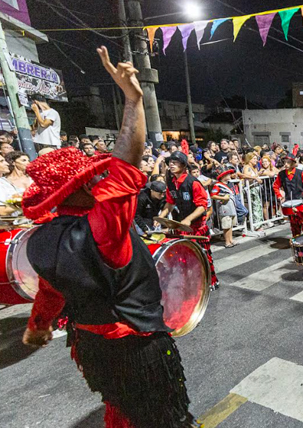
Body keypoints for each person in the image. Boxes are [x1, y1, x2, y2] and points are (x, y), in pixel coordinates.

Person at [20, 46, 197, 428]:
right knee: (164, 416)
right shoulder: (103, 225)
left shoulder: (38, 240)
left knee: (120, 408)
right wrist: (133, 101)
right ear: (76, 189)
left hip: (90, 346)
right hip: (134, 344)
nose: (98, 180)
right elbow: (125, 168)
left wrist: (38, 326)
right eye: (89, 179)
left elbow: (51, 292)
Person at [159, 150, 219, 289]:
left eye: (175, 162)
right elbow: (170, 202)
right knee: (184, 257)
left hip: (197, 226)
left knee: (203, 254)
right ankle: (192, 283)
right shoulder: (171, 182)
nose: (171, 165)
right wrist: (161, 216)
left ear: (183, 165)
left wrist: (188, 219)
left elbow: (202, 206)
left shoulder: (193, 183)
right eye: (170, 163)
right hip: (182, 226)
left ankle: (211, 281)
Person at [273, 153, 303, 236]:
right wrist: (279, 196)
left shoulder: (301, 173)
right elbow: (275, 186)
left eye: (288, 162)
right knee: (294, 225)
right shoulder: (281, 174)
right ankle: (296, 241)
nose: (286, 164)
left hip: (301, 202)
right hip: (289, 202)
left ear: (293, 163)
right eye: (285, 162)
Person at [211, 169, 238, 248]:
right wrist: (223, 198)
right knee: (226, 225)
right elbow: (213, 195)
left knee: (230, 225)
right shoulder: (217, 185)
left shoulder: (229, 184)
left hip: (231, 206)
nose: (229, 175)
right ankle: (227, 241)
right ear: (223, 176)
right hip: (224, 207)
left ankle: (231, 239)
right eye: (227, 174)